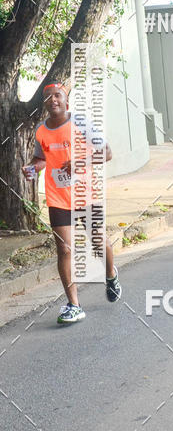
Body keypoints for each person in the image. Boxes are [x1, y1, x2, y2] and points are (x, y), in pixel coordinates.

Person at [22, 83, 121, 325]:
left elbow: (106, 152)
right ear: (44, 103)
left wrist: (80, 161)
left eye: (58, 95)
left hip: (85, 194)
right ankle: (74, 304)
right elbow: (41, 158)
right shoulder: (41, 130)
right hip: (58, 198)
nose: (52, 100)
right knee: (65, 249)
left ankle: (111, 274)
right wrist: (33, 168)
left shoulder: (81, 123)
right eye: (48, 97)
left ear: (66, 100)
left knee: (98, 241)